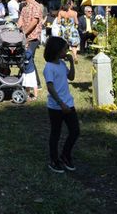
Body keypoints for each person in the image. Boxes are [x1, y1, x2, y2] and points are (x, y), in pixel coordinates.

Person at [44, 36, 79, 173]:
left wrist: (71, 63)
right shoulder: (49, 67)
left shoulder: (61, 64)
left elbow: (71, 77)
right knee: (56, 134)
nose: (67, 51)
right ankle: (54, 160)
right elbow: (50, 87)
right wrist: (60, 103)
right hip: (56, 107)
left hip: (68, 103)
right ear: (57, 50)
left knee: (75, 131)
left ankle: (65, 155)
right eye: (65, 49)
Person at [17, 0, 42, 100]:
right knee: (27, 59)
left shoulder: (36, 6)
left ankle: (35, 86)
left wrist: (25, 33)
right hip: (24, 38)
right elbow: (20, 20)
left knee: (28, 58)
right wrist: (14, 28)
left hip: (33, 38)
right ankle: (29, 83)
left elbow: (34, 22)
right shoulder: (24, 7)